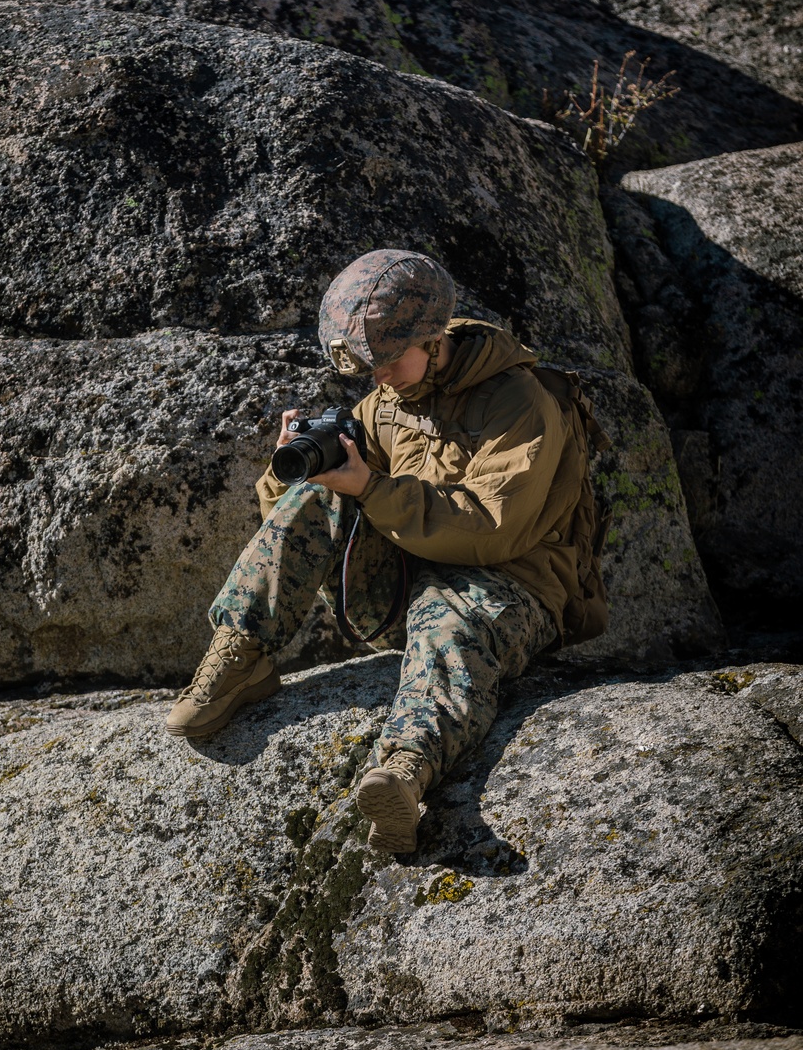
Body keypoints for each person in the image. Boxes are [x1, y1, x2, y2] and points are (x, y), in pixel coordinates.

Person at [165, 248, 585, 855]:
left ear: (435, 337)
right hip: (407, 580)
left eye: (388, 360)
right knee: (320, 491)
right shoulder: (385, 400)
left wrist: (371, 488)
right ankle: (242, 654)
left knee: (449, 619)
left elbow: (495, 528)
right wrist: (292, 474)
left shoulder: (520, 401)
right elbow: (297, 520)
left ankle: (404, 775)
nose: (378, 376)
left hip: (508, 584)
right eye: (368, 366)